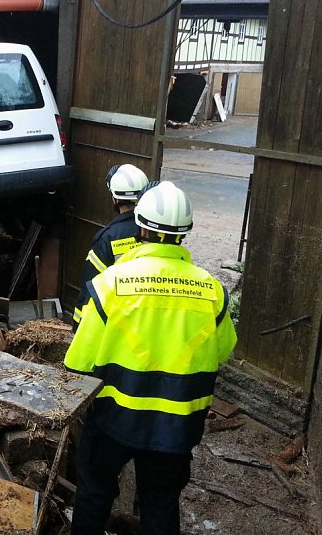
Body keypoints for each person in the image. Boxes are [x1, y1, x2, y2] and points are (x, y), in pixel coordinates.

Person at [65, 182, 237, 535]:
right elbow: (223, 351)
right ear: (184, 234)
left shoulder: (110, 284)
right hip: (178, 426)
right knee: (160, 504)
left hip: (114, 421)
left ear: (141, 227)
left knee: (94, 492)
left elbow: (77, 362)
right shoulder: (212, 291)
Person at [71, 164, 149, 327]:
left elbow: (90, 287)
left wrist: (78, 324)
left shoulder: (108, 238)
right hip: (148, 317)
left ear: (115, 199)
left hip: (117, 320)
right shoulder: (153, 232)